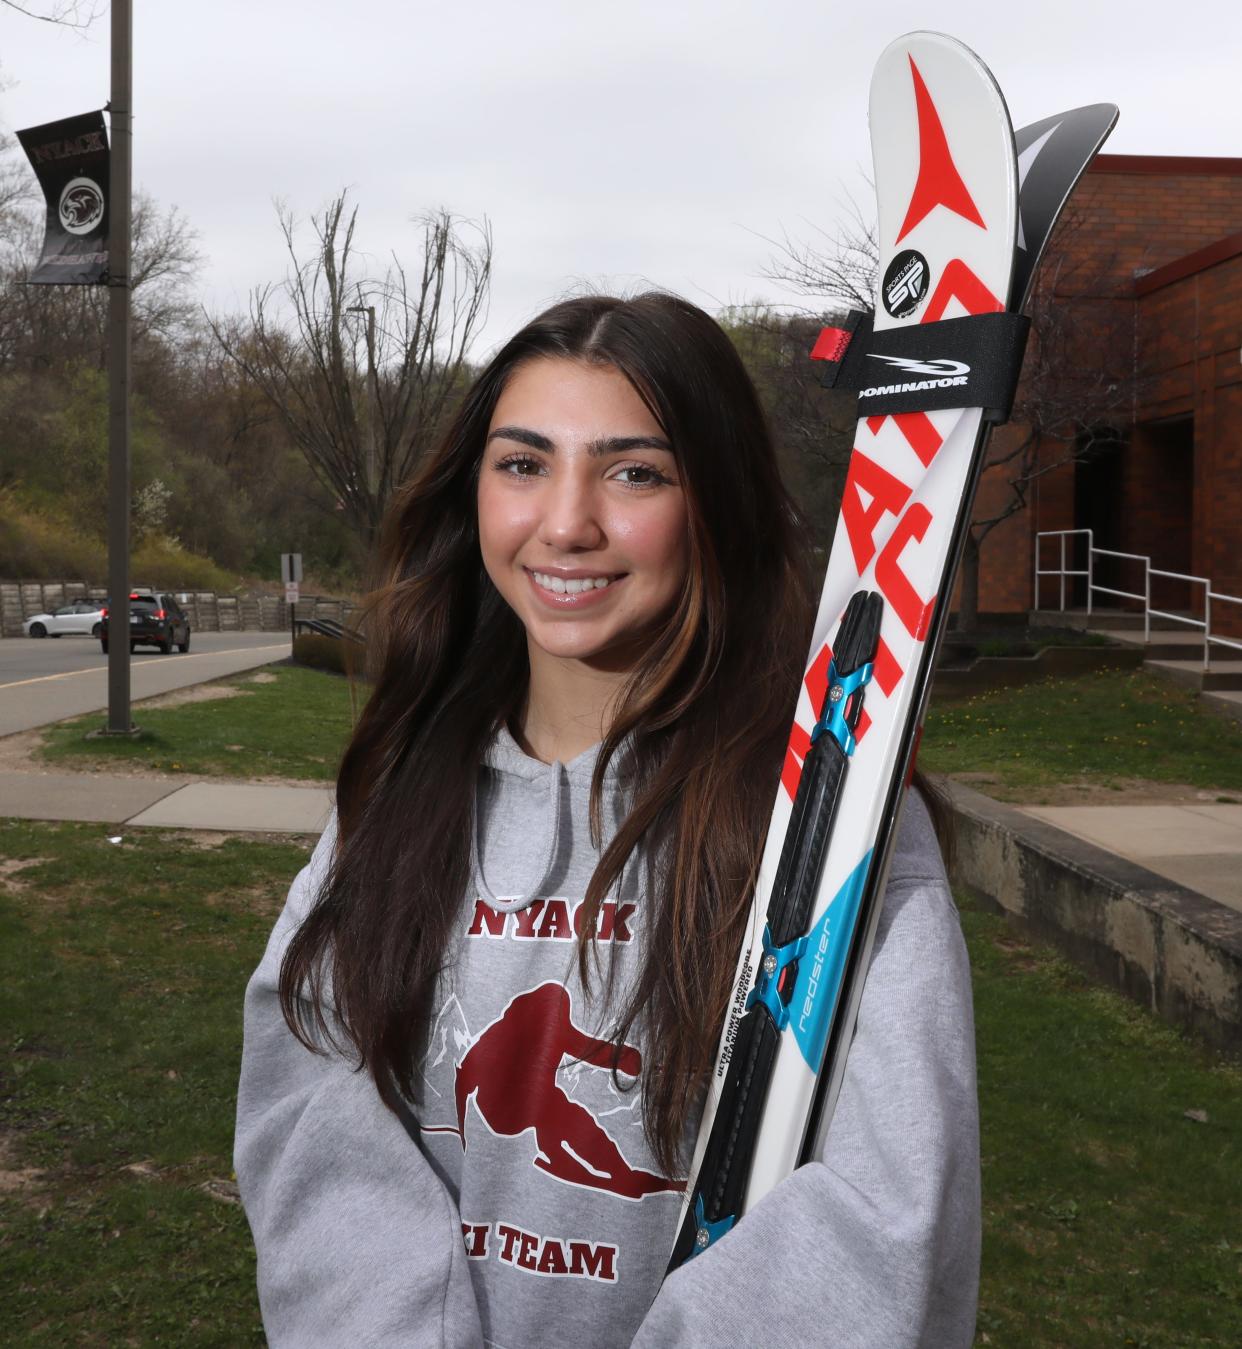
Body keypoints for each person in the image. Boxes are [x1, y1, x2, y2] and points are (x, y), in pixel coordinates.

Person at [234, 292, 980, 1348]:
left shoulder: (831, 830)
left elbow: (893, 1206)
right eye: (524, 462)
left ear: (712, 503)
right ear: (475, 491)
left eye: (635, 471)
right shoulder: (399, 798)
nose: (567, 521)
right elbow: (308, 1107)